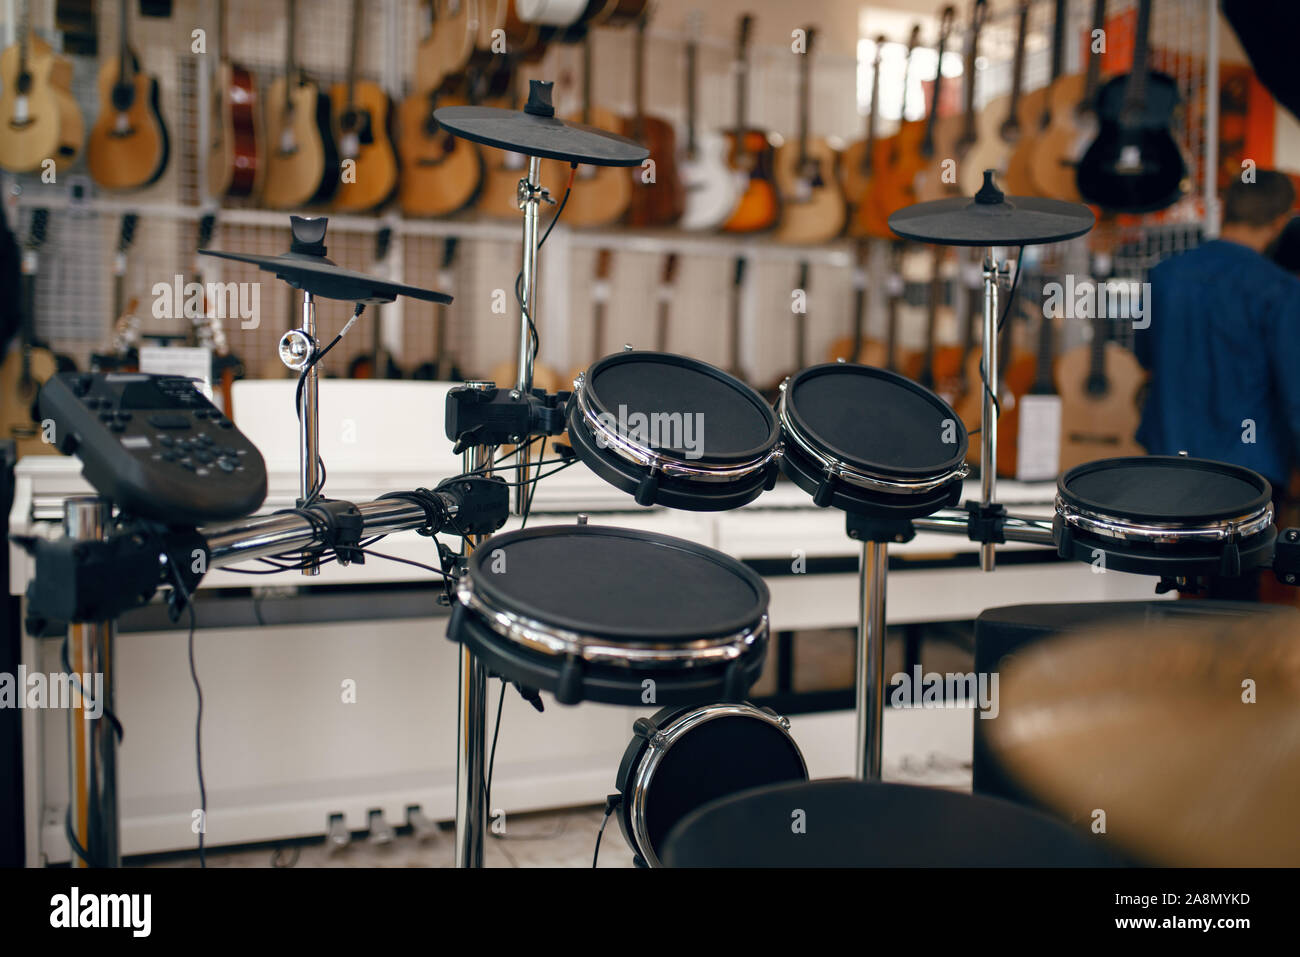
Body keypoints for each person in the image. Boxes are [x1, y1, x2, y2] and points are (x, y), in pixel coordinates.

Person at [1135, 171, 1300, 599]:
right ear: (1283, 220)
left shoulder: (1164, 274)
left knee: (1177, 582)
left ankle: (1176, 663)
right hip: (1249, 471)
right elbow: (1294, 391)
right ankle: (1229, 669)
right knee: (1236, 594)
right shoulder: (1282, 289)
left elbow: (1144, 356)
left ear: (1224, 208)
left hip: (1171, 459)